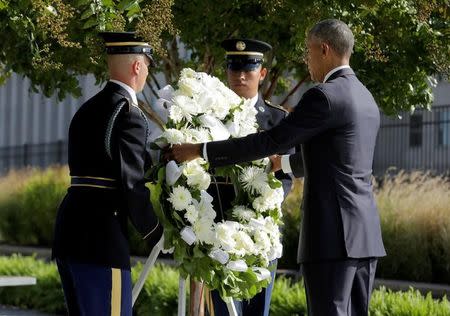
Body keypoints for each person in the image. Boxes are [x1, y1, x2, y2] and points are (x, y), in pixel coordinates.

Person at [166, 19, 386, 316]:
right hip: (365, 235)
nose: (307, 61)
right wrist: (285, 165)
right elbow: (336, 157)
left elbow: (269, 140)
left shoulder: (323, 95)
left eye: (309, 53)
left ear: (324, 49)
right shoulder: (366, 98)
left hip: (332, 236)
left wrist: (200, 150)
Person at [52, 31, 163, 316]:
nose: (147, 72)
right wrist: (155, 232)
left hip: (69, 234)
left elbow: (110, 163)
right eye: (148, 65)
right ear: (137, 66)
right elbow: (131, 182)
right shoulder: (128, 113)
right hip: (101, 238)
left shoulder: (87, 109)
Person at [204, 38, 294, 316]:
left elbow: (286, 176)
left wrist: (259, 205)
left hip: (260, 231)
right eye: (234, 68)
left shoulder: (278, 121)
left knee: (257, 310)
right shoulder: (209, 118)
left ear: (262, 73)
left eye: (249, 68)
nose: (240, 76)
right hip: (218, 230)